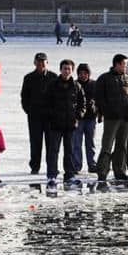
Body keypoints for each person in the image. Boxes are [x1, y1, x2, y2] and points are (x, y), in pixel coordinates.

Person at [95, 53, 128, 181]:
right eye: (124, 64)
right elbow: (99, 97)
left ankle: (119, 171)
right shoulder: (104, 78)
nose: (126, 66)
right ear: (117, 64)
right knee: (107, 145)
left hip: (125, 117)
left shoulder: (127, 78)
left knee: (122, 146)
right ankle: (102, 172)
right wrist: (105, 111)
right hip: (111, 118)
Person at [44, 59, 86, 187]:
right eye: (64, 68)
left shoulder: (76, 86)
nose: (66, 71)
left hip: (71, 125)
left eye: (69, 69)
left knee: (70, 151)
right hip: (55, 124)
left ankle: (69, 176)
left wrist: (78, 116)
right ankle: (51, 176)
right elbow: (46, 103)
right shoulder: (53, 85)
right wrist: (51, 116)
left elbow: (82, 103)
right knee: (53, 151)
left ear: (72, 71)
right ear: (60, 70)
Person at [21, 52, 58, 175]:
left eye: (43, 62)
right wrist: (29, 110)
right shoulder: (28, 78)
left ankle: (51, 166)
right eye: (38, 62)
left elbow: (58, 97)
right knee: (35, 143)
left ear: (47, 63)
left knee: (51, 143)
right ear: (34, 63)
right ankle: (35, 166)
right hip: (34, 116)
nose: (41, 64)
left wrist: (54, 111)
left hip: (50, 117)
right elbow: (24, 97)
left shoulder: (53, 77)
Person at [73, 63, 98, 173]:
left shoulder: (94, 84)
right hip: (78, 118)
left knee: (90, 143)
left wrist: (99, 113)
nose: (83, 75)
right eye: (81, 73)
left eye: (85, 73)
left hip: (91, 118)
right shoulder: (73, 84)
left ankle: (92, 164)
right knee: (76, 143)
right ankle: (76, 165)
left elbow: (100, 99)